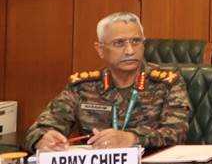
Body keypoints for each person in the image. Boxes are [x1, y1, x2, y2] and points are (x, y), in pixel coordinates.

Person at [26, 12, 190, 152]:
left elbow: (177, 132)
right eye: (119, 43)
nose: (130, 51)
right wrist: (43, 139)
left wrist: (132, 138)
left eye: (136, 41)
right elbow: (39, 128)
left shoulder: (167, 83)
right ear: (100, 50)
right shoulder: (83, 87)